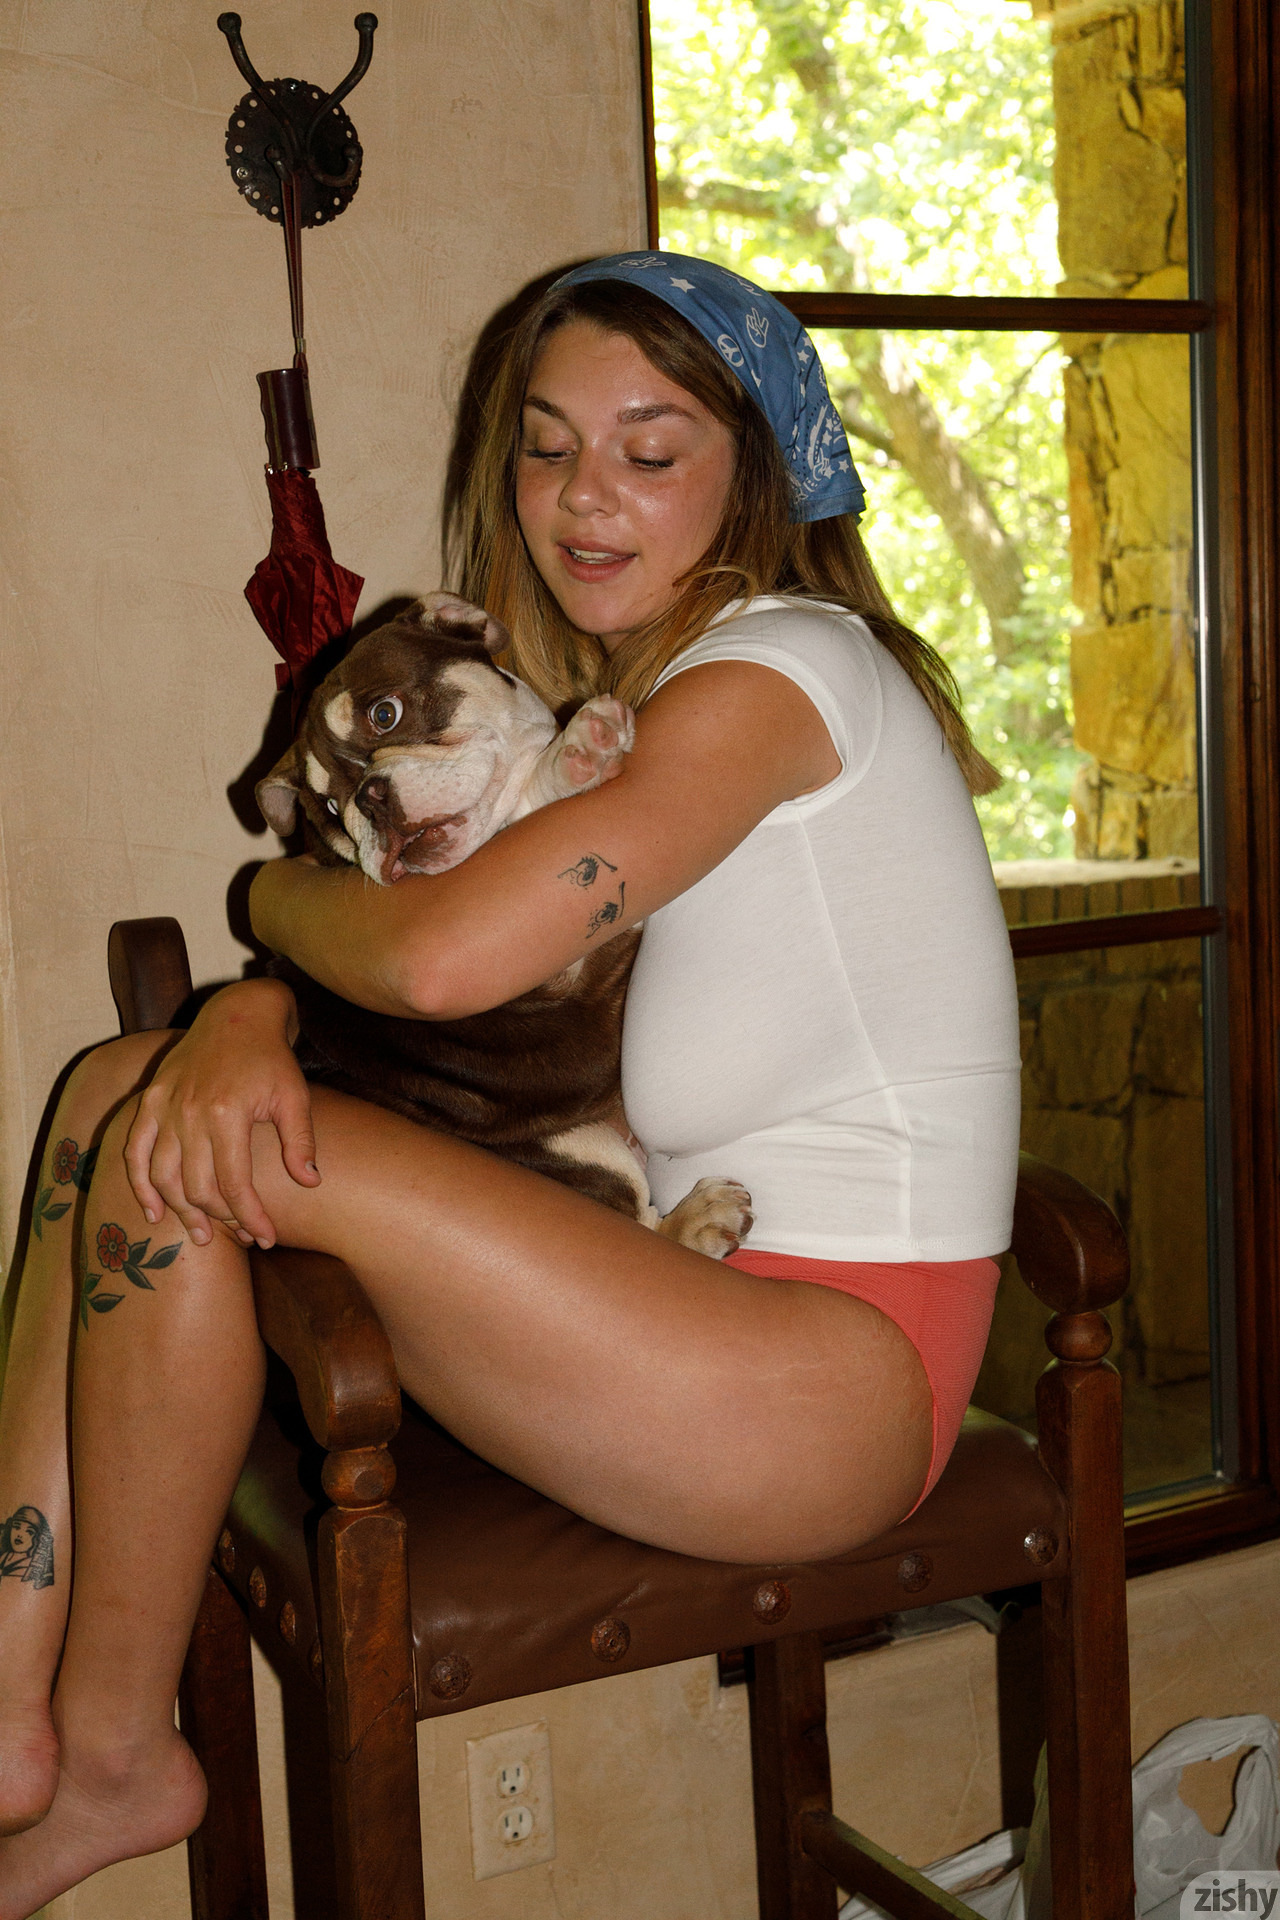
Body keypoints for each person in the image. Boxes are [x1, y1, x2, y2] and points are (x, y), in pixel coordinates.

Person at [0, 251, 1020, 1909]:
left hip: (829, 1385)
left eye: (649, 447)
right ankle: (13, 1698)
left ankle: (112, 1756)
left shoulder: (777, 672)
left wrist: (262, 910)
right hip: (684, 1297)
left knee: (175, 1146)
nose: (583, 494)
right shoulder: (646, 700)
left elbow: (437, 965)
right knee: (132, 1084)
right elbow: (445, 996)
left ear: (759, 472)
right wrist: (243, 1017)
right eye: (548, 446)